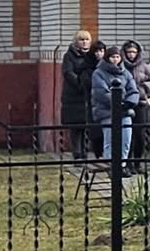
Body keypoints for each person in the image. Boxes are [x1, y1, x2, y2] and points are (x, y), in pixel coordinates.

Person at [90, 39, 142, 165]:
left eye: (117, 56)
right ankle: (111, 165)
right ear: (107, 58)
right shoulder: (99, 73)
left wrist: (129, 103)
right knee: (110, 141)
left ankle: (122, 165)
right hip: (107, 112)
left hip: (125, 111)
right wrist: (117, 102)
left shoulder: (125, 73)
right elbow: (101, 92)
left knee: (126, 140)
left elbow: (134, 90)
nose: (115, 59)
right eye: (113, 57)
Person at [59, 30, 95, 161]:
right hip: (74, 96)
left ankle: (86, 151)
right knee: (76, 127)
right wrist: (81, 84)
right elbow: (68, 73)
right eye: (82, 40)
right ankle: (77, 153)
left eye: (87, 40)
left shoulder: (91, 56)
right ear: (76, 42)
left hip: (88, 95)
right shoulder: (69, 56)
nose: (84, 42)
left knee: (87, 125)